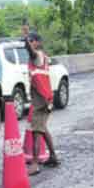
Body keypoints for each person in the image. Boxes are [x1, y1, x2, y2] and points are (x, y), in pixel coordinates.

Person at [25, 32, 59, 175]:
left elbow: (30, 50)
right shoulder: (43, 57)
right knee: (43, 128)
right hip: (45, 98)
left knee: (36, 132)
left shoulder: (37, 55)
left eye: (33, 41)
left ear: (37, 42)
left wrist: (26, 38)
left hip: (41, 100)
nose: (31, 43)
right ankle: (53, 156)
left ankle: (34, 163)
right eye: (30, 41)